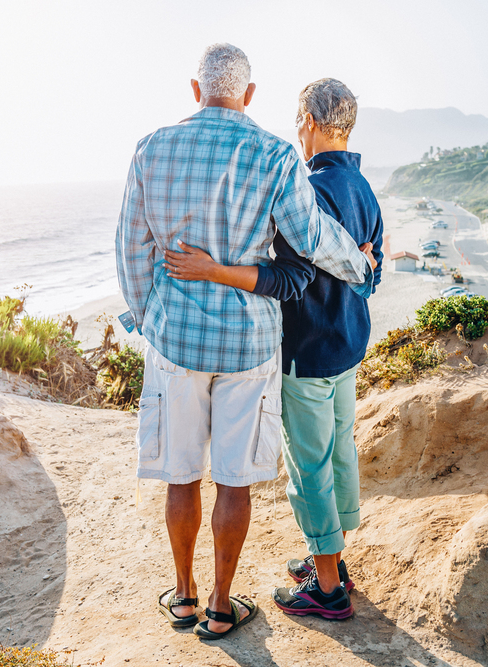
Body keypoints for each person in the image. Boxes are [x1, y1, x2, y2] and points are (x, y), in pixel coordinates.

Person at [115, 46, 376, 639]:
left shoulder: (151, 148)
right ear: (249, 95)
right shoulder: (275, 153)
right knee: (234, 480)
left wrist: (147, 317)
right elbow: (311, 237)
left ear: (194, 88)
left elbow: (132, 249)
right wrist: (361, 269)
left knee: (181, 477)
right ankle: (220, 605)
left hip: (175, 341)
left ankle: (181, 597)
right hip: (249, 345)